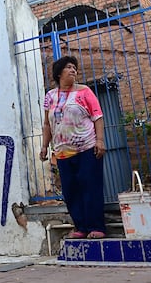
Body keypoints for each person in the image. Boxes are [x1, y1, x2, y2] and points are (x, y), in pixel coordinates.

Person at [39, 55, 107, 239]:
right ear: (59, 72)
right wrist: (45, 146)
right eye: (69, 67)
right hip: (62, 151)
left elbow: (97, 116)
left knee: (89, 186)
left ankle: (96, 227)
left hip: (86, 147)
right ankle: (80, 227)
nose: (73, 70)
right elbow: (47, 124)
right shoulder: (50, 96)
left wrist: (100, 141)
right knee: (70, 190)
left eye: (74, 68)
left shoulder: (85, 91)